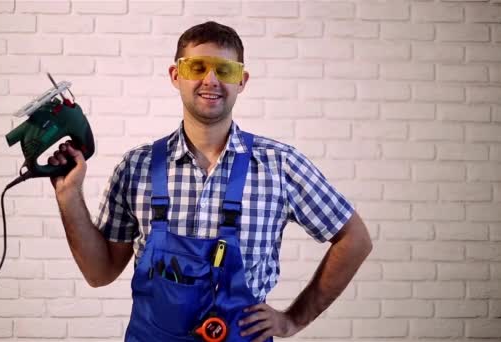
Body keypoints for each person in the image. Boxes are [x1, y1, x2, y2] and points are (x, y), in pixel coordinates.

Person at [49, 21, 372, 342]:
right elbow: (99, 273)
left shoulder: (280, 165)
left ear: (242, 81)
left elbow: (354, 239)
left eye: (225, 70)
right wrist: (69, 196)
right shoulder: (138, 166)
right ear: (176, 75)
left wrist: (293, 320)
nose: (211, 80)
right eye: (197, 67)